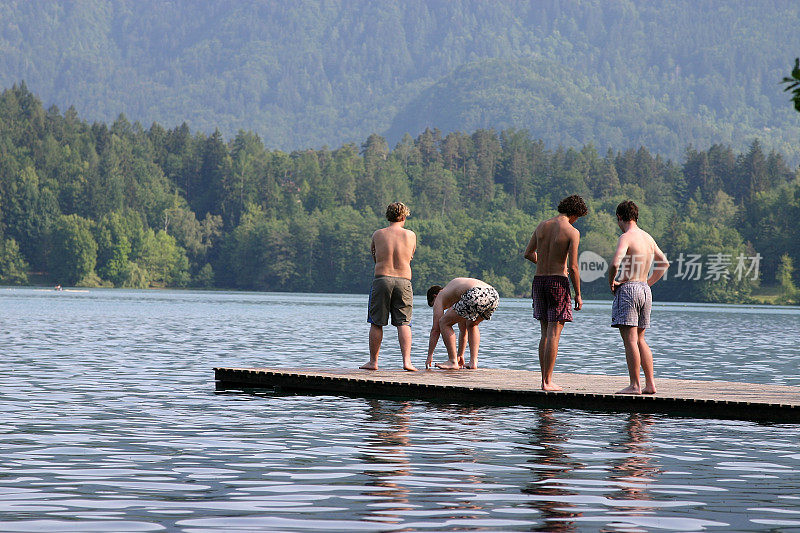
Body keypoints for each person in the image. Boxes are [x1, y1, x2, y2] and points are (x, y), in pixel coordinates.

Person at [524, 195, 587, 391]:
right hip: (558, 282)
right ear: (575, 213)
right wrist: (577, 293)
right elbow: (574, 267)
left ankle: (544, 379)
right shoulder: (572, 231)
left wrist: (541, 263)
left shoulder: (542, 225)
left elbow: (528, 253)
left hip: (539, 281)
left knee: (545, 332)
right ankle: (548, 382)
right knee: (554, 333)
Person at [608, 200, 669, 395]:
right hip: (644, 290)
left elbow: (614, 263)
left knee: (630, 340)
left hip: (629, 290)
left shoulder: (626, 237)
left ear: (620, 217)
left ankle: (634, 385)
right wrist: (648, 283)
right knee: (641, 339)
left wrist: (612, 281)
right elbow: (664, 263)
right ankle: (650, 384)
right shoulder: (647, 237)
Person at [361, 202, 418, 372]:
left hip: (382, 278)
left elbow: (375, 255)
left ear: (388, 216)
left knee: (376, 322)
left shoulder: (378, 234)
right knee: (404, 323)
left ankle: (373, 362)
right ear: (403, 216)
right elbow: (411, 255)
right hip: (403, 280)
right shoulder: (410, 235)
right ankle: (407, 362)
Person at [425, 278, 499, 370]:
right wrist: (460, 355)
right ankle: (473, 362)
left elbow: (436, 330)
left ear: (435, 296)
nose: (443, 309)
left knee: (443, 323)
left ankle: (452, 361)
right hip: (493, 295)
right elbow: (463, 330)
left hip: (476, 293)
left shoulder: (440, 296)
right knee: (472, 325)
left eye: (433, 304)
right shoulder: (457, 295)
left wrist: (429, 355)